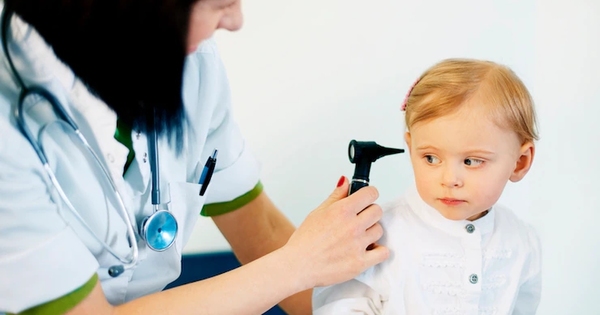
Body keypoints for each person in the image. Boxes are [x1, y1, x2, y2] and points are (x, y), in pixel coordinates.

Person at [0, 0, 390, 314]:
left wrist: (354, 305)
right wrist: (300, 263)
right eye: (220, 4)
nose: (236, 20)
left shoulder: (190, 67)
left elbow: (260, 229)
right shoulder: (7, 129)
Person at [312, 58, 542, 314]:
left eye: (471, 161)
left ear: (520, 162)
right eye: (431, 158)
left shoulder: (522, 242)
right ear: (411, 149)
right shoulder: (376, 236)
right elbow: (339, 306)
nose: (449, 179)